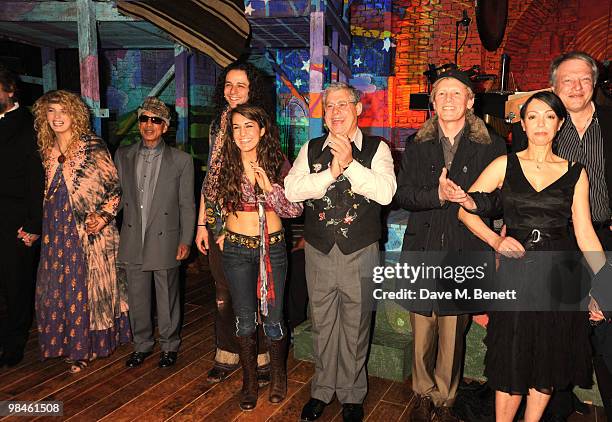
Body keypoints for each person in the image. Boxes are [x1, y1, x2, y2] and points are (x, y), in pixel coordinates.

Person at [457, 91, 606, 422]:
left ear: (560, 123)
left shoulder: (576, 171)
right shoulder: (504, 164)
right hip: (517, 274)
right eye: (533, 116)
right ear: (522, 123)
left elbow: (584, 233)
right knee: (511, 358)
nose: (541, 123)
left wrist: (604, 286)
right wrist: (497, 242)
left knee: (548, 360)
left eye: (549, 116)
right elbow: (466, 213)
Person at [394, 69, 506, 422]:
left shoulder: (493, 145)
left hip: (465, 246)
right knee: (422, 329)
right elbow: (403, 195)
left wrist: (473, 202)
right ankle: (422, 393)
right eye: (441, 94)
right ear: (433, 102)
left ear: (470, 101)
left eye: (456, 94)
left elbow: (502, 201)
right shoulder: (416, 143)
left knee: (454, 330)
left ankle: (445, 399)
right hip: (423, 246)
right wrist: (437, 195)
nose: (448, 100)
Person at [285, 82, 397, 422]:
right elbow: (292, 190)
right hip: (319, 250)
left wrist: (350, 164)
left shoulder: (378, 148)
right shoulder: (311, 147)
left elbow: (386, 192)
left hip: (360, 250)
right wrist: (332, 171)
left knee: (357, 324)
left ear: (358, 109)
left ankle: (351, 395)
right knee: (322, 324)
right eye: (329, 106)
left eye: (342, 105)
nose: (335, 112)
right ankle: (322, 390)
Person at [512, 51, 612, 420]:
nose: (576, 86)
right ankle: (554, 410)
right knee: (556, 332)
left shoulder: (610, 122)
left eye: (584, 78)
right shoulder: (543, 126)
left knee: (607, 331)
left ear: (595, 83)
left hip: (604, 239)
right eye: (567, 80)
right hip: (557, 244)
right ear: (553, 85)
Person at [32, 90, 130, 373]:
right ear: (44, 116)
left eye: (63, 110)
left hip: (86, 232)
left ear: (75, 114)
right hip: (54, 230)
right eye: (51, 111)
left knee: (84, 287)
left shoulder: (92, 146)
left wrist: (102, 216)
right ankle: (62, 342)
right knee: (55, 287)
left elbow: (115, 189)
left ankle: (84, 348)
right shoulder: (44, 149)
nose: (57, 117)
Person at [214, 104, 302, 410]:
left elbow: (294, 209)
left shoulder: (278, 161)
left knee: (274, 319)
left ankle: (278, 377)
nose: (242, 134)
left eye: (249, 126)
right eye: (236, 128)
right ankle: (249, 381)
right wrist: (219, 231)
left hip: (272, 247)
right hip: (237, 248)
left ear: (262, 130)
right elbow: (210, 198)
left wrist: (269, 187)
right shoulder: (224, 162)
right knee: (244, 320)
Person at [195, 61, 274, 384]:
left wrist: (230, 222)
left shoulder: (261, 124)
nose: (233, 91)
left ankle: (262, 357)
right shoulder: (218, 124)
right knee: (223, 291)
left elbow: (264, 182)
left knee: (256, 291)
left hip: (247, 220)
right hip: (215, 221)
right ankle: (226, 353)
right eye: (228, 84)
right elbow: (210, 180)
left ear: (252, 89)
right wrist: (202, 224)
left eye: (240, 85)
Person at [115, 96, 195, 369]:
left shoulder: (182, 161)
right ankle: (142, 345)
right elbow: (115, 197)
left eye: (155, 120)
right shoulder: (123, 155)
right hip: (133, 235)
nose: (149, 124)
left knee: (167, 295)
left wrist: (186, 239)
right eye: (144, 119)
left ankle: (170, 346)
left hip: (166, 236)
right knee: (137, 296)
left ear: (165, 126)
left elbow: (187, 204)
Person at [0, 64, 44, 367]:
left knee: (16, 286)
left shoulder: (31, 126)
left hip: (15, 222)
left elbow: (36, 181)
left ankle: (14, 344)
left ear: (10, 90)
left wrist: (33, 225)